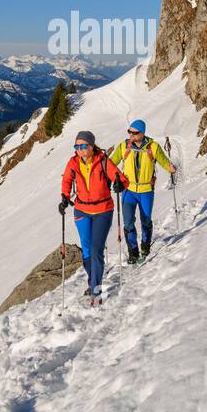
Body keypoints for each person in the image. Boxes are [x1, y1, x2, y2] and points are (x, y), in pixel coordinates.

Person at [60, 130, 129, 305]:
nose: (80, 150)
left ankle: (96, 288)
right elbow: (67, 180)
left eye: (84, 146)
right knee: (87, 250)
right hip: (82, 210)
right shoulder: (73, 162)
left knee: (97, 249)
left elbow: (121, 179)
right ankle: (93, 281)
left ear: (91, 146)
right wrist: (65, 196)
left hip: (103, 210)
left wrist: (119, 184)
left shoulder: (103, 161)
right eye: (77, 146)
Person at [107, 120, 176, 263]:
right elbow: (111, 164)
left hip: (146, 190)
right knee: (128, 222)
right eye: (129, 132)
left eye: (134, 132)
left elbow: (163, 161)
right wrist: (116, 179)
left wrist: (171, 168)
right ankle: (133, 252)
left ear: (142, 133)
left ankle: (145, 245)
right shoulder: (124, 146)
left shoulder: (153, 147)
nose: (131, 135)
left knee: (145, 219)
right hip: (128, 190)